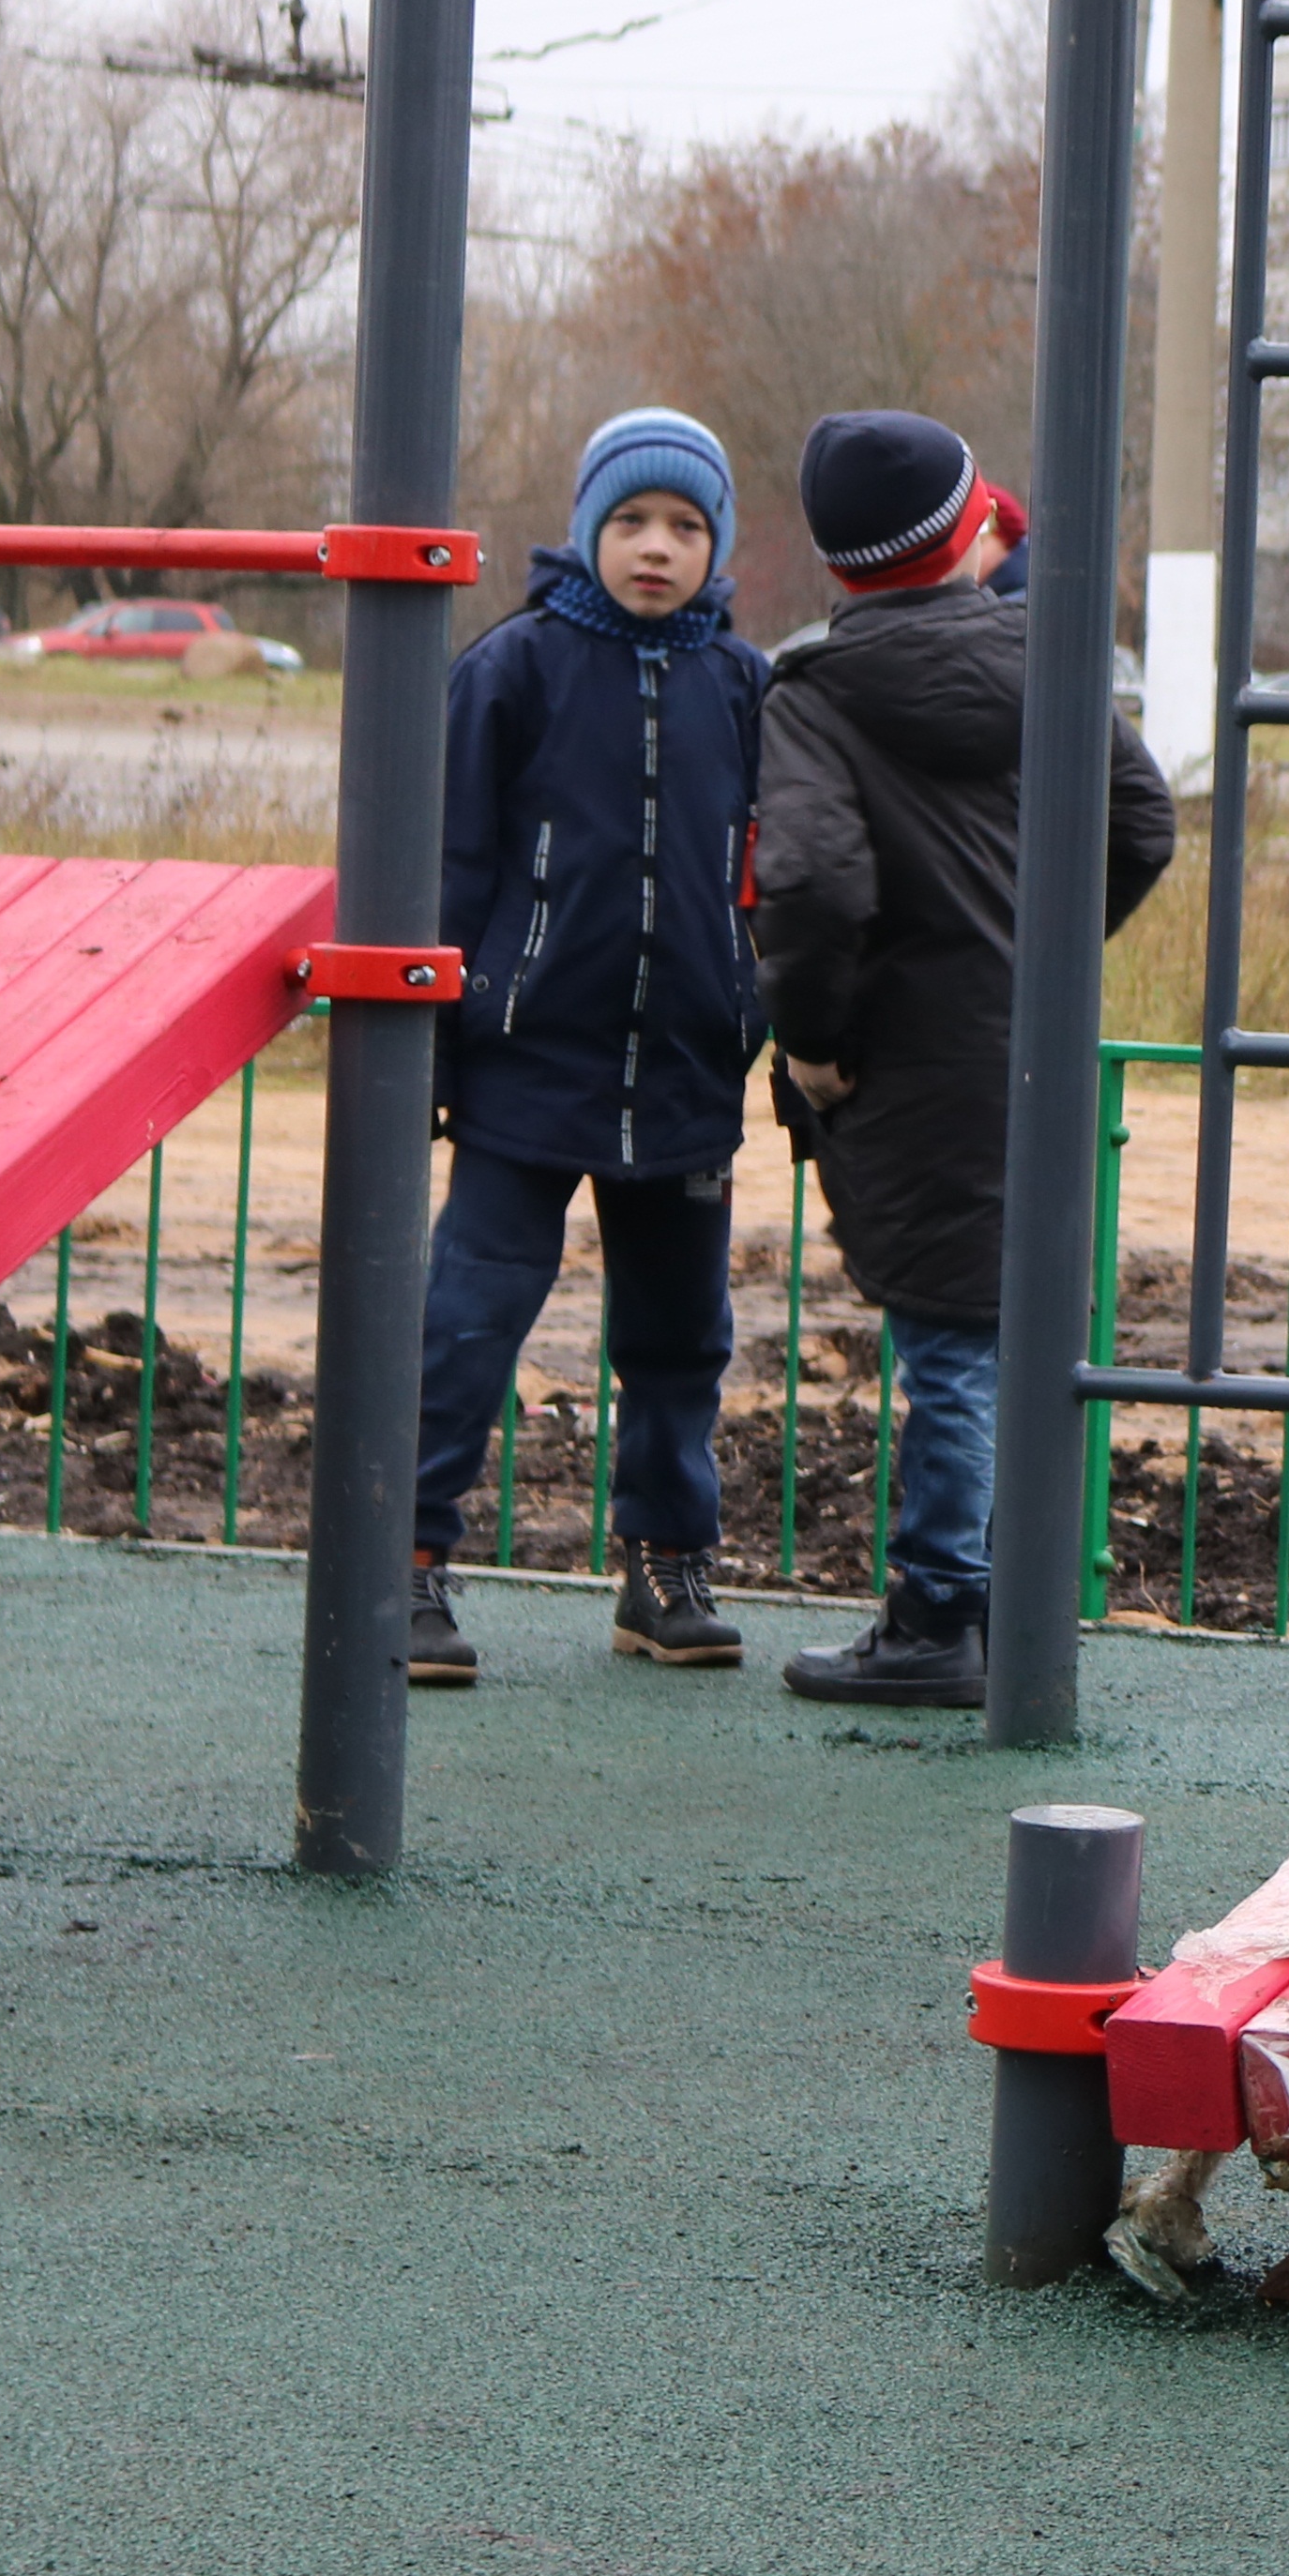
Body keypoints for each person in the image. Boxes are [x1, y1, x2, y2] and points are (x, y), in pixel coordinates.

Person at [751, 410, 1177, 1709]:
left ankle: (941, 1609)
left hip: (905, 1057)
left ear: (838, 563)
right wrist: (1043, 956)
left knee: (945, 1342)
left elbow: (815, 881)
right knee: (1008, 1334)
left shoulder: (814, 692)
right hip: (1025, 1041)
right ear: (964, 532)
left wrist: (816, 1041)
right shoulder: (1049, 660)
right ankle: (1001, 1596)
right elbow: (1142, 822)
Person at [404, 413, 775, 1684]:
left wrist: (751, 1007)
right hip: (528, 1063)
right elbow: (449, 870)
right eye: (630, 522)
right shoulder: (513, 669)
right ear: (584, 529)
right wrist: (433, 1062)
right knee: (468, 1315)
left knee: (681, 1335)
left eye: (684, 525)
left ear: (716, 542)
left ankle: (665, 1565)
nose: (656, 548)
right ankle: (403, 1557)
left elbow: (770, 874)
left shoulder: (745, 684)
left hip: (682, 1073)